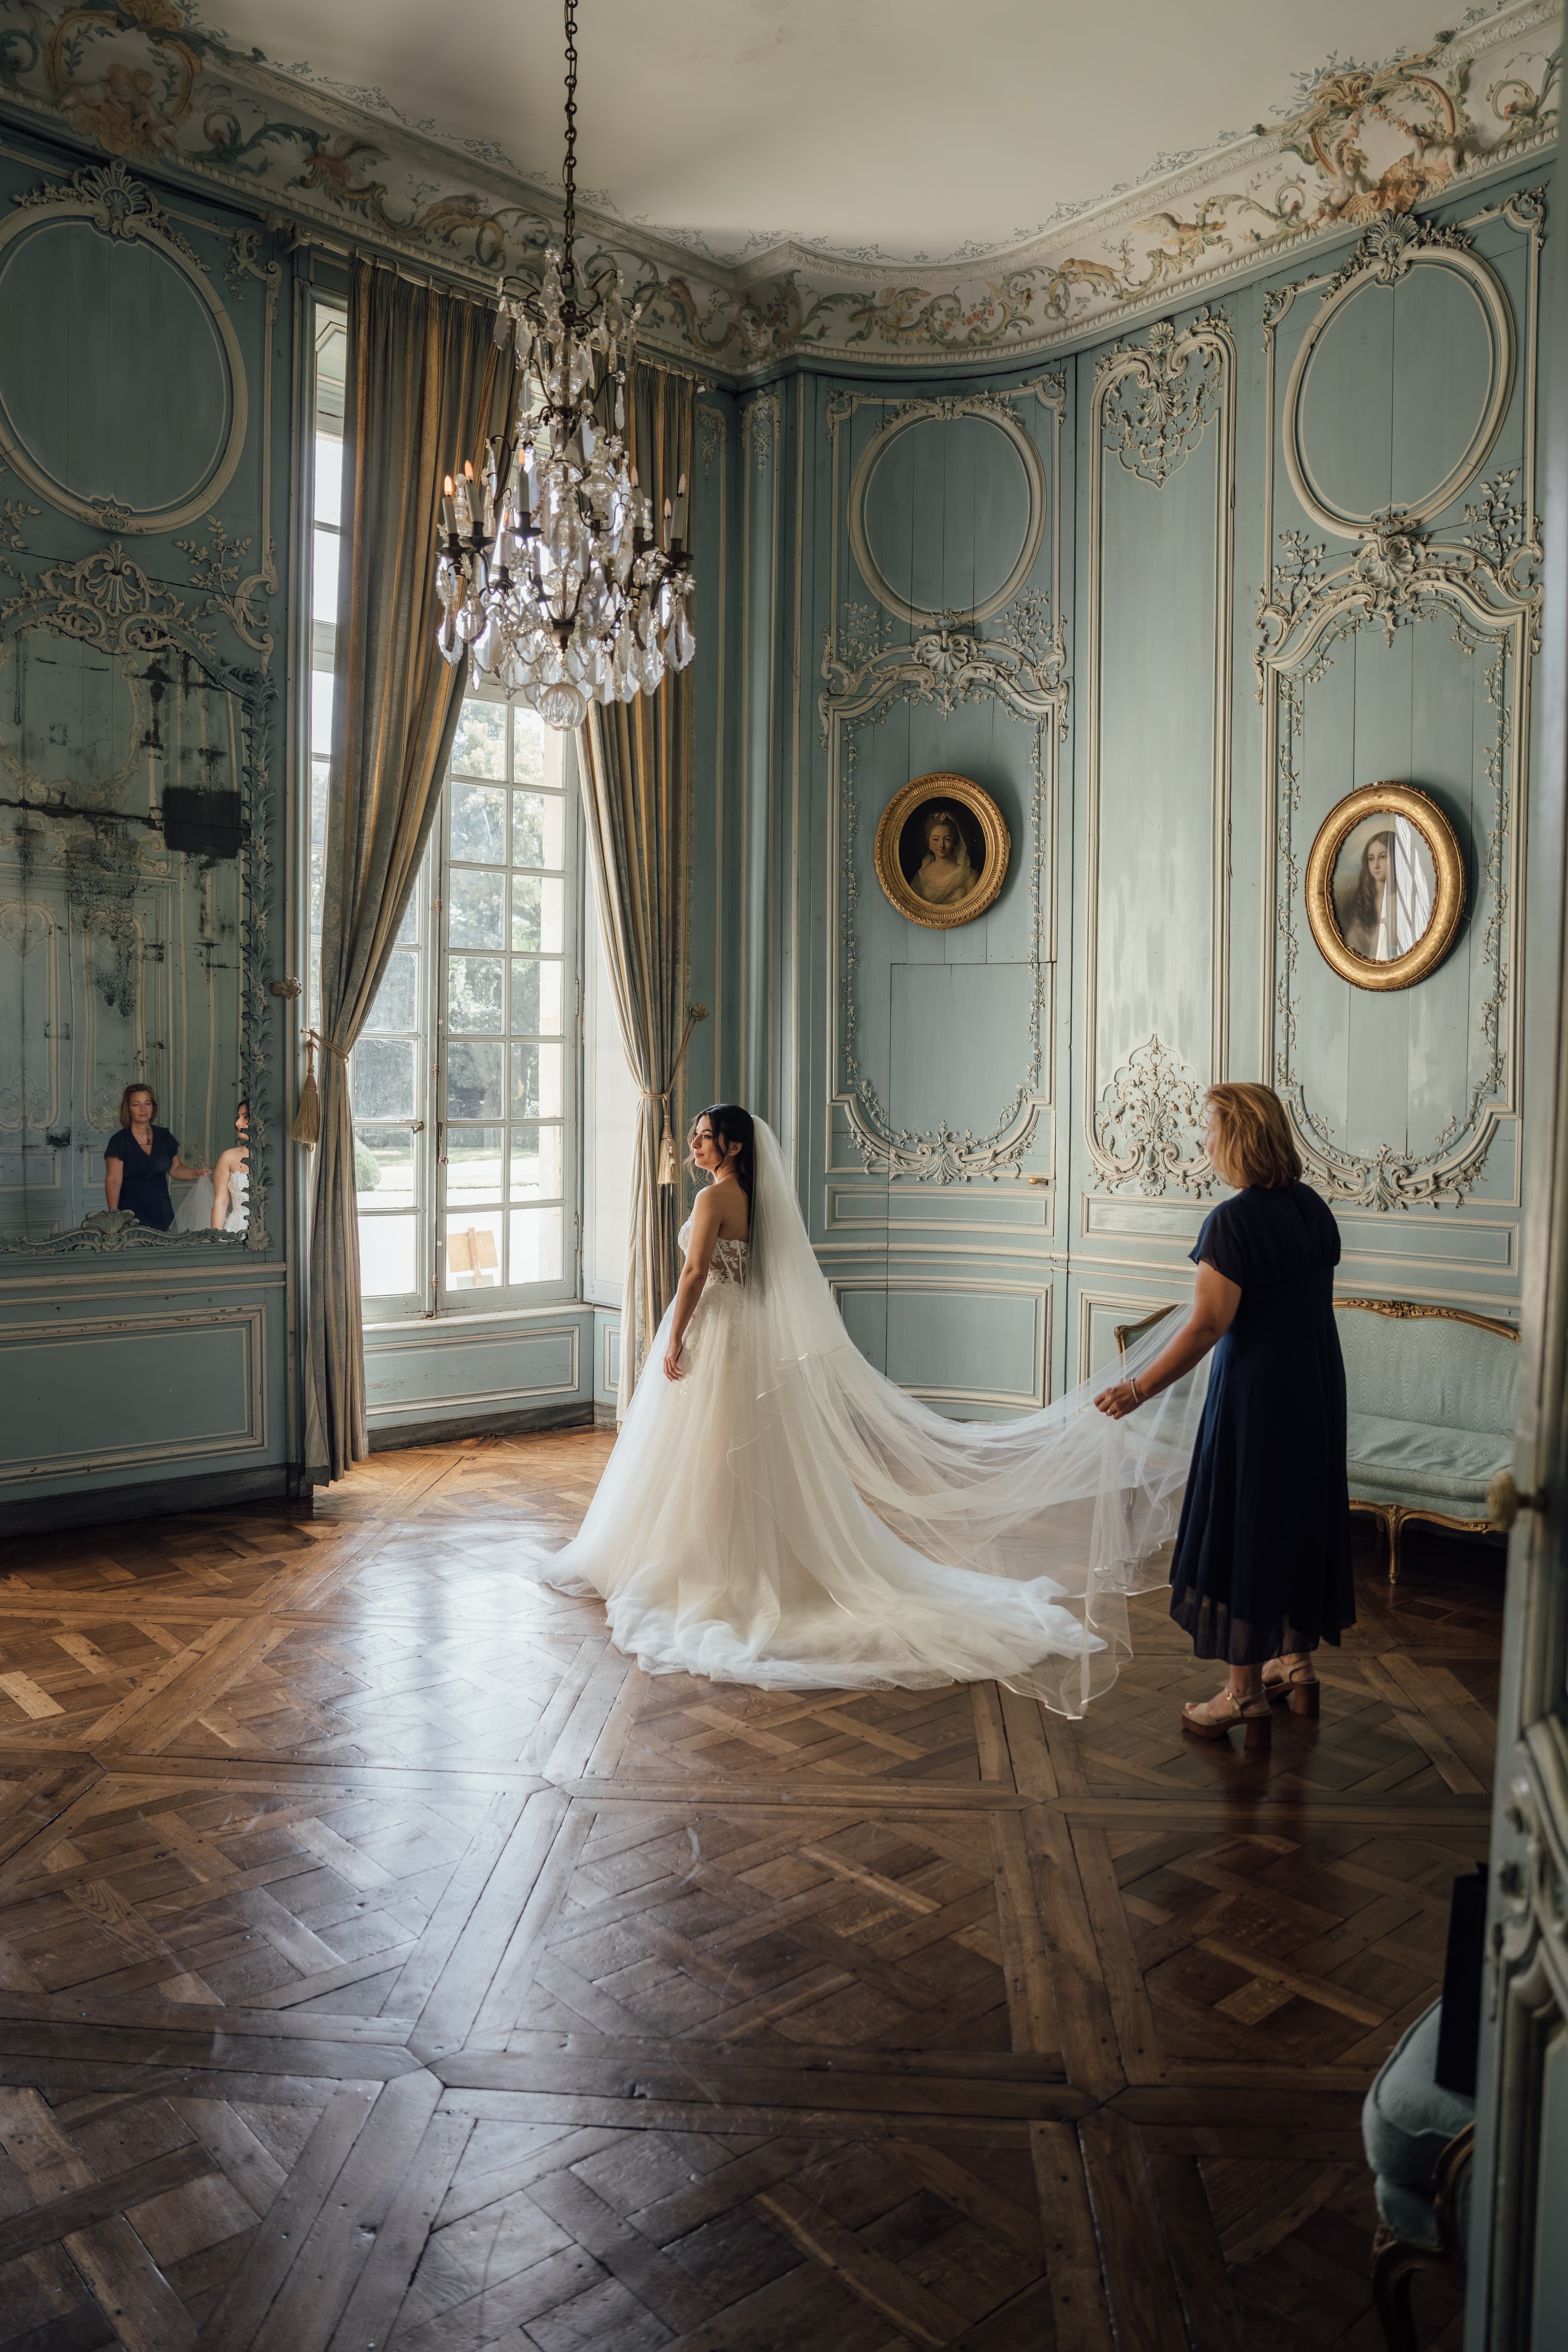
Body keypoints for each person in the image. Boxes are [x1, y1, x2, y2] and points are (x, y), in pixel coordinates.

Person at [538, 1105, 1212, 1718]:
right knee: (734, 1445)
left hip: (716, 1327)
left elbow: (693, 1276)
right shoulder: (755, 1200)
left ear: (733, 1146)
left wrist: (676, 1334)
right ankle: (746, 1558)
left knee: (702, 1446)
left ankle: (708, 1565)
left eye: (705, 1137)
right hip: (747, 1331)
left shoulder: (717, 1197)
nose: (694, 1145)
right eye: (694, 1136)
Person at [1094, 1081, 1353, 1746]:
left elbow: (1209, 1326)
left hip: (1257, 1399)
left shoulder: (1232, 1223)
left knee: (1247, 1526)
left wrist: (1139, 1389)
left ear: (1238, 1137)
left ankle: (1242, 1694)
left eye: (1210, 1129)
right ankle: (1293, 1662)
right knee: (1295, 1516)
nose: (1204, 1142)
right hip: (1316, 1387)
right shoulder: (1314, 1210)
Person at [103, 1086, 209, 1232]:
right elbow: (113, 1181)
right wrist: (114, 1218)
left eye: (147, 1103)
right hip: (130, 1214)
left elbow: (176, 1169)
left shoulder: (164, 1136)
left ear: (153, 1107)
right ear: (128, 1109)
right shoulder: (119, 1141)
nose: (143, 1109)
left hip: (162, 1213)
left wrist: (195, 1173)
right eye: (136, 1104)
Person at [912, 808, 977, 907]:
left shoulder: (969, 875)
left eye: (947, 839)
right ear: (929, 842)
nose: (941, 845)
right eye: (936, 839)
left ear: (954, 842)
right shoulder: (921, 877)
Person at [210, 1099, 250, 1232]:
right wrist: (215, 1239)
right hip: (236, 1229)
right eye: (238, 1117)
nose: (238, 1123)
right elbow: (221, 1202)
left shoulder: (278, 1158)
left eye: (246, 1117)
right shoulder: (228, 1157)